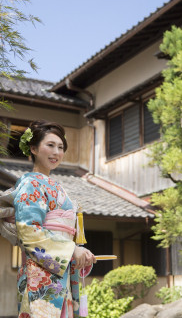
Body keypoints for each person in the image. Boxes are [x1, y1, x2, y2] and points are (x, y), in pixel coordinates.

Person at [12, 120, 96, 318]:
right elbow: (29, 230)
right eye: (50, 145)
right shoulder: (30, 184)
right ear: (33, 148)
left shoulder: (57, 188)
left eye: (60, 147)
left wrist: (78, 253)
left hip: (61, 271)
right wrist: (71, 250)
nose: (56, 152)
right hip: (38, 273)